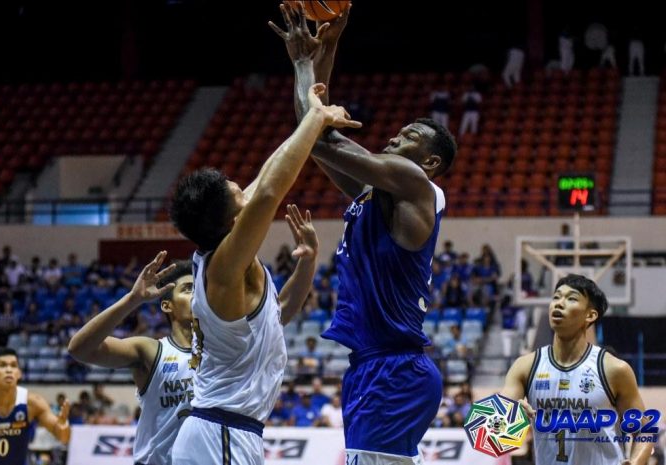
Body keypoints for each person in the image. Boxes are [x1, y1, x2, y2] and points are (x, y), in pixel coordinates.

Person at [270, 4, 456, 463]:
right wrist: (328, 47)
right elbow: (309, 133)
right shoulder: (378, 194)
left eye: (409, 136)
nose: (394, 137)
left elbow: (315, 134)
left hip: (393, 369)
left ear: (429, 162)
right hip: (375, 366)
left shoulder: (414, 184)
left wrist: (300, 63)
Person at [169, 82, 359, 465]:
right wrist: (317, 117)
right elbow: (270, 191)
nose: (248, 193)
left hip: (228, 432)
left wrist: (307, 261)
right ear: (235, 220)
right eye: (241, 195)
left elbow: (281, 311)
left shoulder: (224, 262)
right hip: (220, 433)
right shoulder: (223, 267)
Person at [501, 274, 654, 465]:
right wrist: (510, 417)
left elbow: (644, 429)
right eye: (556, 297)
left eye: (571, 298)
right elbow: (493, 437)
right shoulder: (525, 366)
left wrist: (636, 463)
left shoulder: (614, 369)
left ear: (590, 315)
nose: (559, 303)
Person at [68, 254, 195, 465]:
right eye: (188, 289)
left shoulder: (221, 353)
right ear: (167, 306)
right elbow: (79, 349)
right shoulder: (151, 350)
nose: (197, 294)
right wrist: (132, 299)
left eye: (201, 288)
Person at [0, 348, 70, 465]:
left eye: (13, 366)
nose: (9, 370)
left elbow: (63, 437)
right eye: (3, 365)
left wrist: (63, 424)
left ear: (19, 373)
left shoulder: (33, 403)